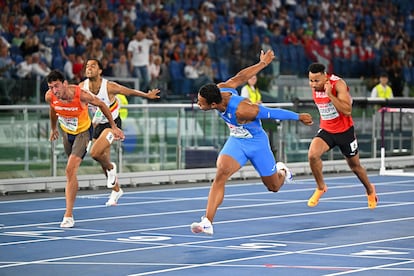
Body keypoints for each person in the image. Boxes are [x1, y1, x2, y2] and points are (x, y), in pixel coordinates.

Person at [190, 50, 314, 235]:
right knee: (221, 173)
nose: (198, 105)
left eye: (201, 103)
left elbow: (271, 113)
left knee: (273, 187)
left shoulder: (243, 110)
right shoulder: (221, 88)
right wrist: (262, 63)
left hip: (257, 144)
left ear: (213, 105)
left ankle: (282, 170)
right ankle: (208, 220)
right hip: (237, 141)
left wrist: (298, 116)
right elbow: (241, 76)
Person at [45, 70, 124, 228]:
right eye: (51, 87)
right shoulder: (50, 96)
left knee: (69, 170)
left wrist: (114, 127)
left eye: (57, 86)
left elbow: (101, 104)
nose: (55, 90)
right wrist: (53, 128)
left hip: (83, 133)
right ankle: (110, 168)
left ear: (65, 84)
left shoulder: (81, 95)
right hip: (67, 133)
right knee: (71, 172)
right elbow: (53, 110)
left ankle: (68, 215)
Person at [79, 59, 160, 206]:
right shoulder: (81, 87)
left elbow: (129, 91)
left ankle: (111, 167)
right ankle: (116, 190)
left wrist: (147, 96)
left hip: (113, 124)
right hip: (97, 125)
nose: (89, 68)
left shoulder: (109, 86)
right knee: (103, 162)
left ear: (100, 71)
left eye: (93, 66)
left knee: (95, 153)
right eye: (87, 66)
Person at [307, 62, 378, 209]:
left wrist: (330, 95)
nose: (313, 85)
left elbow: (347, 110)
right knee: (313, 155)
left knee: (355, 166)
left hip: (345, 132)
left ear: (325, 77)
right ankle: (321, 187)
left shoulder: (338, 84)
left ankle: (370, 190)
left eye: (316, 81)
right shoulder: (315, 85)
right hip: (327, 130)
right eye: (311, 80)